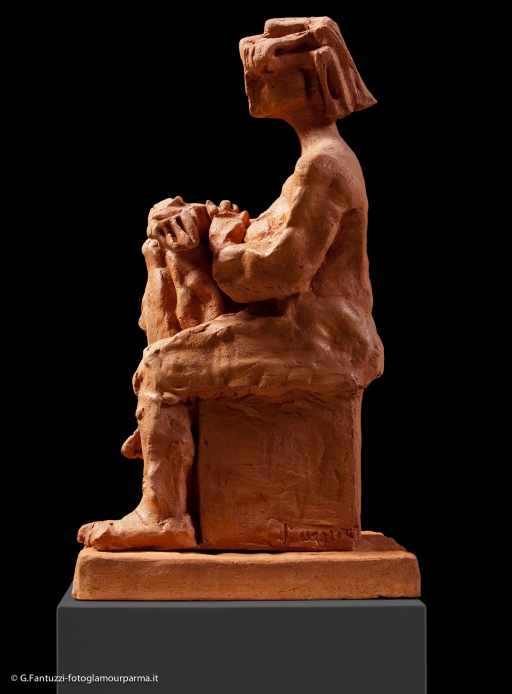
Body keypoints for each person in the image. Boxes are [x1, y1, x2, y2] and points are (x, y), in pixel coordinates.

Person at [78, 16, 384, 550]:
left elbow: (274, 274)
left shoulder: (324, 167)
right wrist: (202, 224)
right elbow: (267, 238)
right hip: (310, 331)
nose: (252, 86)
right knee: (162, 257)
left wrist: (215, 238)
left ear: (308, 83)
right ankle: (164, 435)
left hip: (323, 341)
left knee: (162, 367)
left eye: (263, 74)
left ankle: (163, 513)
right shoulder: (318, 163)